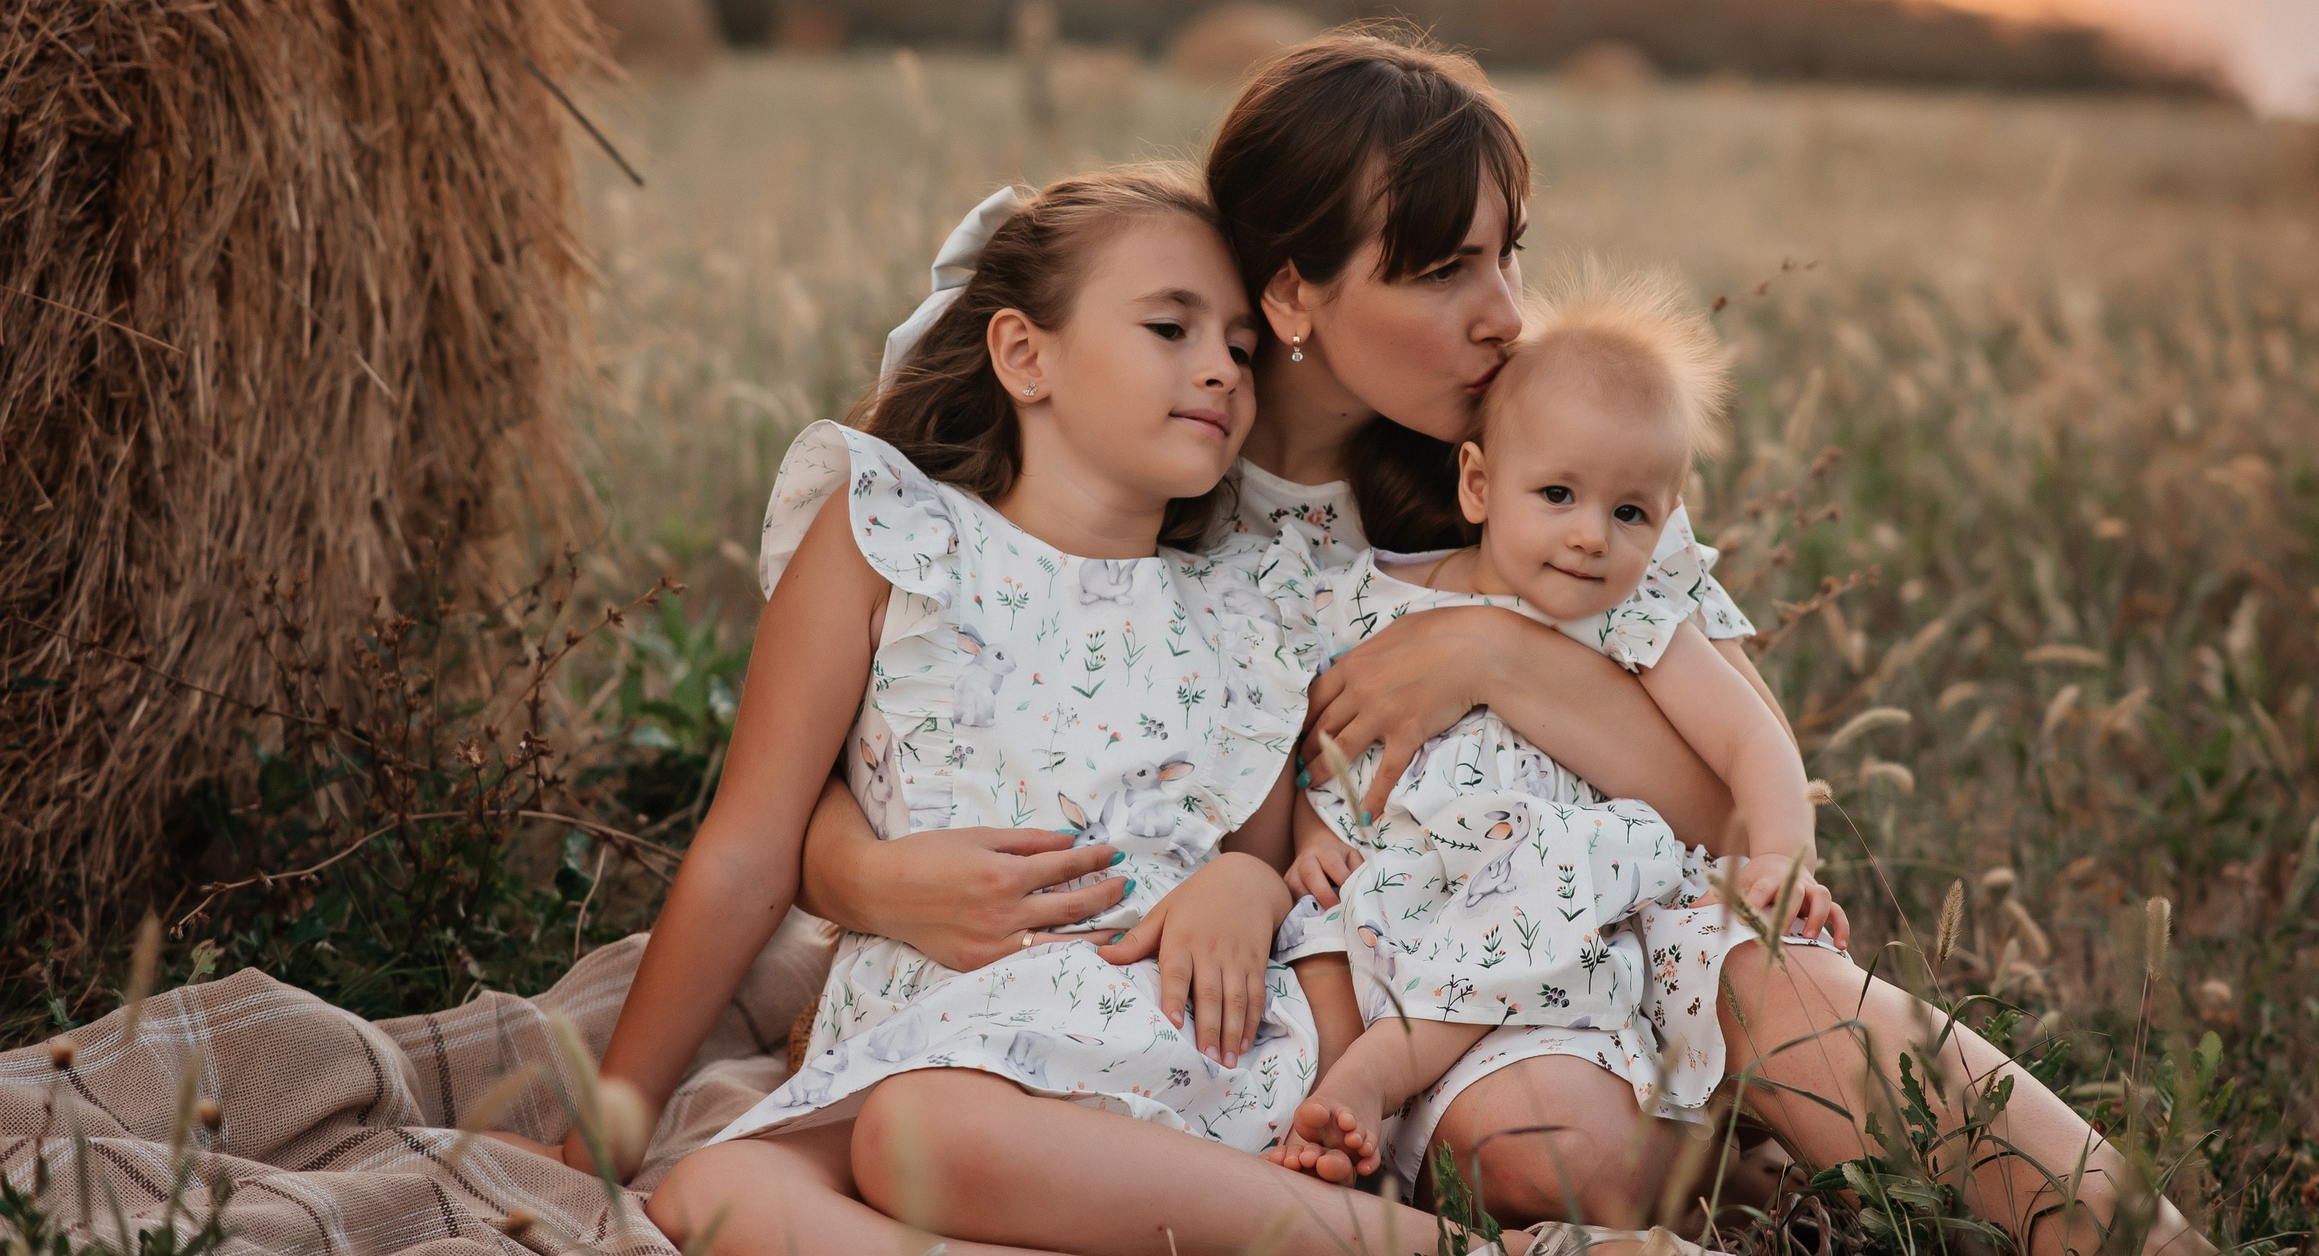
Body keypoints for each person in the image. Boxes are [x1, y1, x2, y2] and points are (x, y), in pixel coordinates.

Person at [798, 32, 2210, 1253]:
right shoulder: (1143, 471)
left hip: (1610, 924)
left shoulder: (1543, 462)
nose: (1504, 313)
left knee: (1772, 974)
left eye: (1505, 254)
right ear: (1293, 301)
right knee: (1543, 1153)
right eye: (1443, 270)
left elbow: (1729, 806)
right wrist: (859, 869)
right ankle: (1702, 1179)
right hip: (1377, 993)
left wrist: (1500, 657)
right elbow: (917, 705)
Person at [629, 164, 1666, 1256]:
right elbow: (748, 847)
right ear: (1025, 354)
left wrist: (1246, 881)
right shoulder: (890, 532)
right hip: (919, 1018)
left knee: (920, 1132)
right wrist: (612, 1109)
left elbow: (1269, 848)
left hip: (1150, 1014)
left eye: (1239, 346)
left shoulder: (1242, 598)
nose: (1219, 366)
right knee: (712, 1189)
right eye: (1171, 329)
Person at [1268, 267, 1845, 1189]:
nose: (1590, 538)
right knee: (1321, 951)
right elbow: (1328, 746)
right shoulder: (1376, 602)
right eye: (1558, 496)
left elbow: (1754, 743)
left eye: (1629, 513)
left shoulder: (1632, 616)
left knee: (1547, 872)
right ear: (1479, 482)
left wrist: (1782, 855)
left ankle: (1379, 1078)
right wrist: (1313, 840)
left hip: (1576, 905)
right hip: (1411, 903)